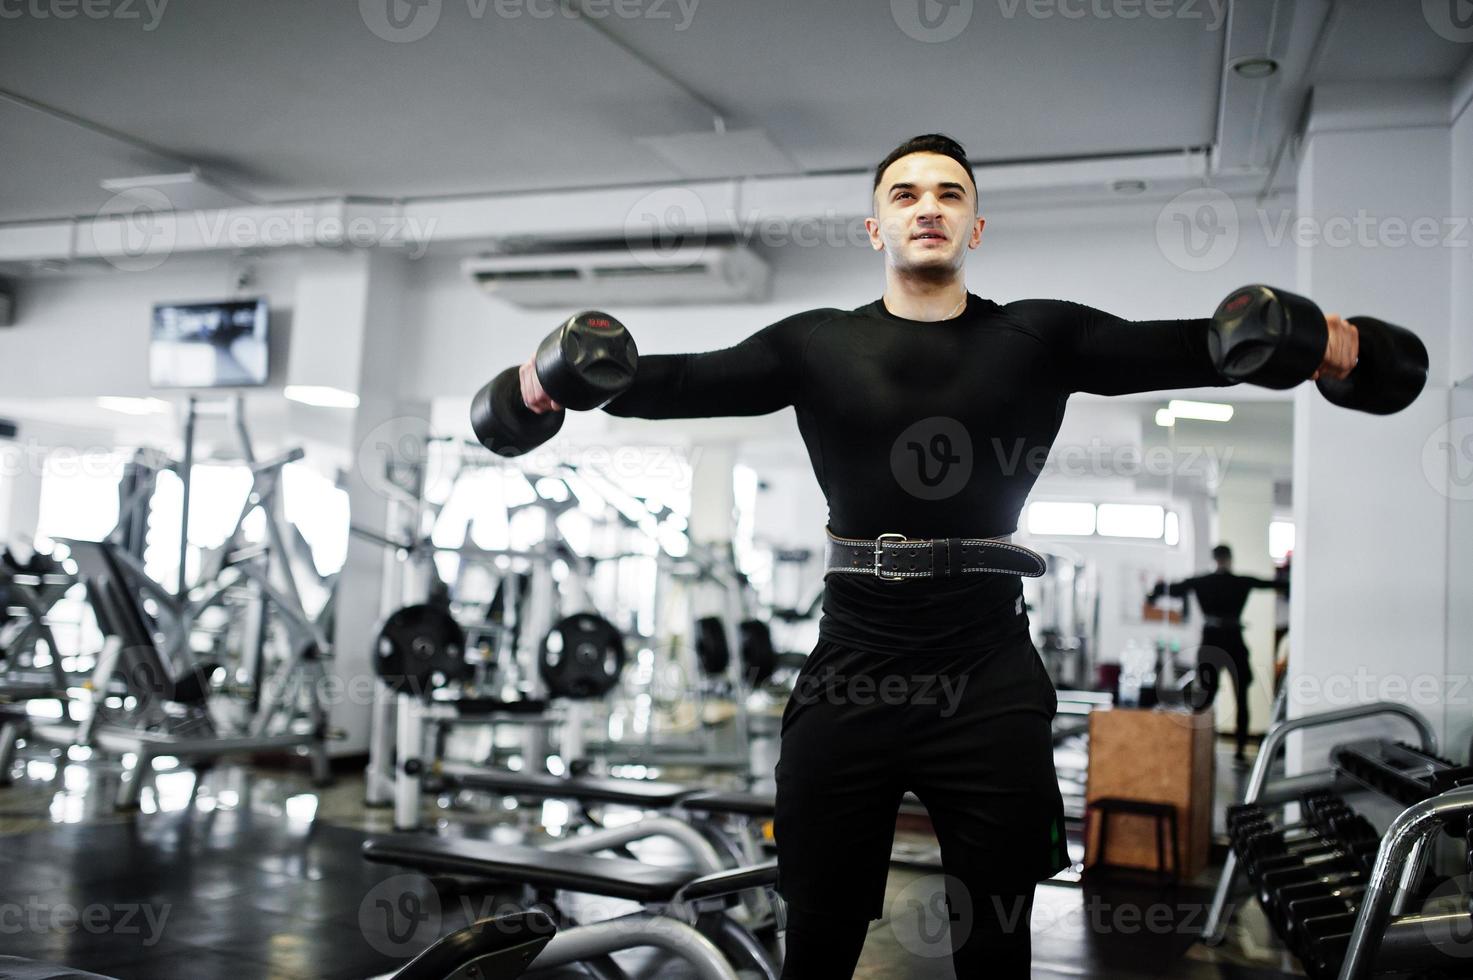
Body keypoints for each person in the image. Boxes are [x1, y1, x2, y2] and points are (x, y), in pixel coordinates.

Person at [517, 134, 1358, 978]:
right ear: (875, 227)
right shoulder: (814, 343)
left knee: (995, 935)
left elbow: (1189, 346)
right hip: (852, 666)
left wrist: (1307, 337)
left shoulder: (1039, 334)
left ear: (976, 228)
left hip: (986, 672)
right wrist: (565, 379)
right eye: (906, 194)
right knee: (819, 927)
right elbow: (689, 380)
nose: (928, 207)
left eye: (950, 195)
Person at [1149, 544, 1287, 766]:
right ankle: (1212, 748)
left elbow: (1171, 589)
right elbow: (1272, 584)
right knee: (1214, 698)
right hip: (1227, 641)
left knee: (1222, 697)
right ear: (1228, 559)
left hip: (1219, 641)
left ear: (1216, 559)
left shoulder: (1208, 581)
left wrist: (1154, 591)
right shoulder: (1231, 581)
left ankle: (1222, 749)